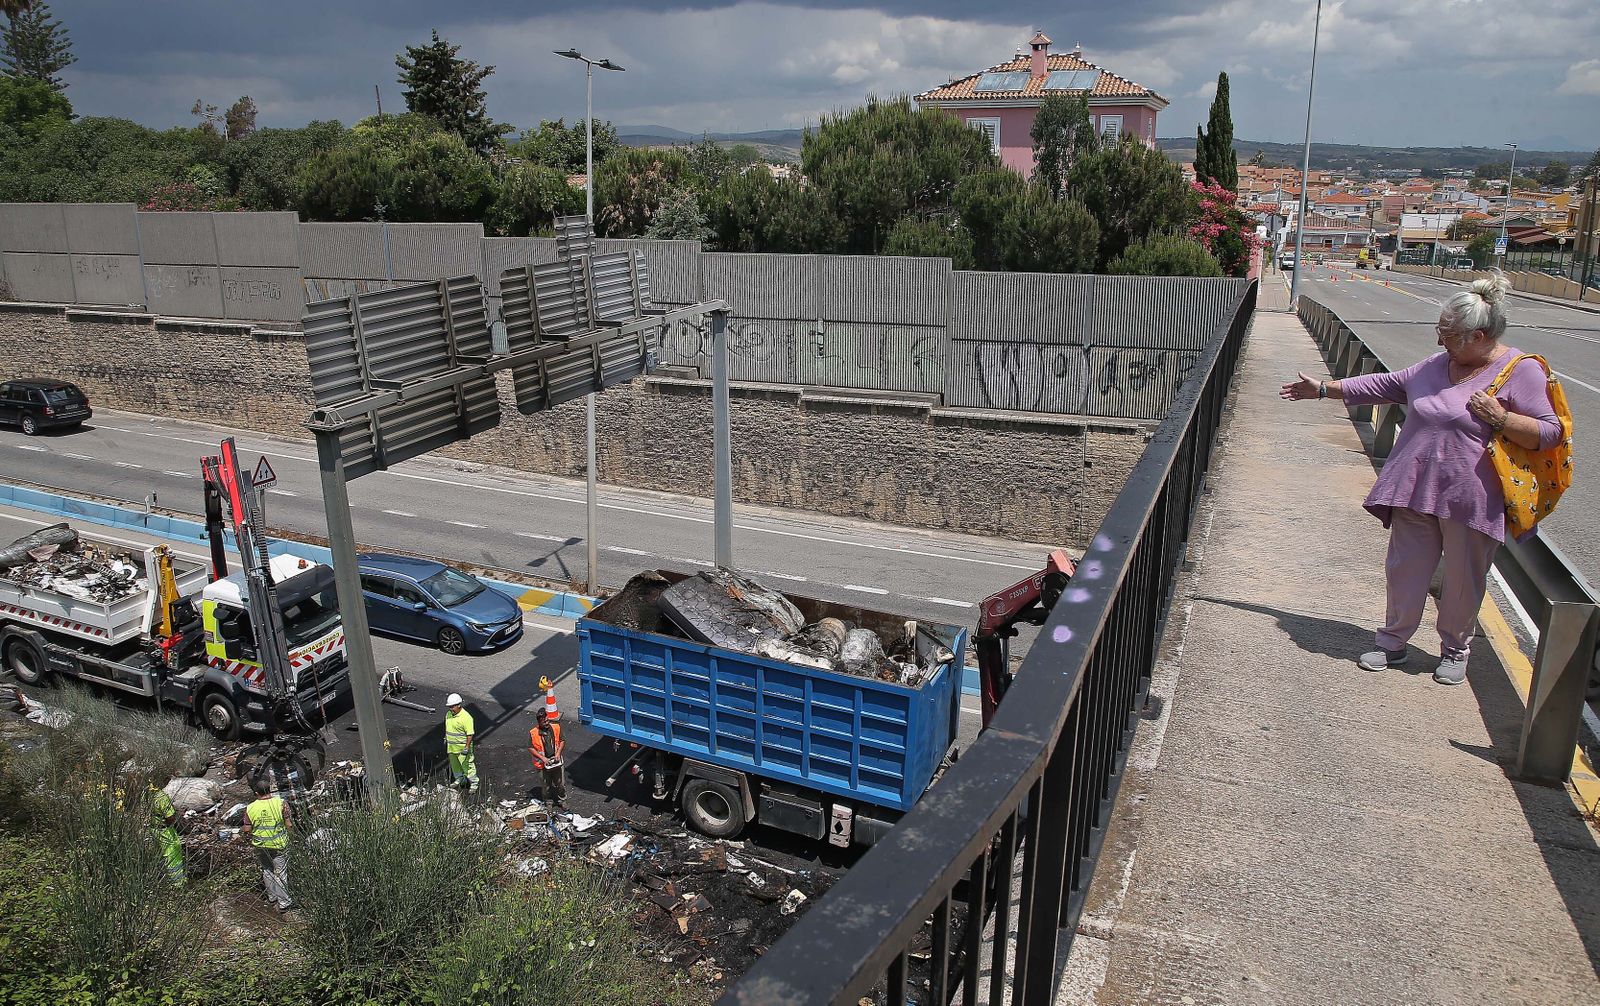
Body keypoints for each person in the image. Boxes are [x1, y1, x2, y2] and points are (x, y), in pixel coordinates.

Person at [1280, 272, 1561, 684]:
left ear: (1478, 336)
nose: (1439, 342)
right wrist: (1324, 388)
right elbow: (1385, 384)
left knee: (1462, 580)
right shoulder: (1436, 365)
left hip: (1471, 499)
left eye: (1448, 336)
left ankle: (1455, 649)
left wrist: (1502, 418)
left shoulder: (1522, 371)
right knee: (1404, 571)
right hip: (1415, 488)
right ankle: (1392, 642)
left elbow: (1550, 432)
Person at [243, 777, 292, 911]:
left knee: (267, 870)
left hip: (261, 845)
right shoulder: (281, 803)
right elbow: (289, 824)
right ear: (270, 790)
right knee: (280, 873)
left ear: (256, 793)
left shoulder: (250, 808)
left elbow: (247, 829)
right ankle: (284, 903)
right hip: (279, 844)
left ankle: (272, 897)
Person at [148, 781, 185, 886]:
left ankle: (162, 881)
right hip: (165, 831)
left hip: (153, 829)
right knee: (173, 856)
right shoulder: (161, 796)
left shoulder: (146, 794)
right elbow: (170, 817)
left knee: (160, 856)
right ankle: (177, 883)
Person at [529, 705, 566, 808]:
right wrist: (543, 758)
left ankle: (562, 800)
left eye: (547, 720)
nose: (546, 723)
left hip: (556, 761)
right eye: (544, 722)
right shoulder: (533, 733)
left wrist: (558, 753)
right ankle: (549, 802)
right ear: (539, 722)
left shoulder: (556, 727)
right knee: (546, 786)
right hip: (542, 764)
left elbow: (562, 740)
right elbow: (530, 747)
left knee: (561, 784)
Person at [444, 693, 478, 792]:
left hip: (462, 748)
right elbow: (448, 727)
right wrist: (446, 737)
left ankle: (474, 783)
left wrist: (466, 747)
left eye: (452, 707)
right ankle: (460, 779)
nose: (451, 709)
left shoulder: (466, 717)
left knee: (468, 766)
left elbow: (470, 734)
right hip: (451, 747)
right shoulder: (448, 714)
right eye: (449, 707)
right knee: (455, 765)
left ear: (459, 705)